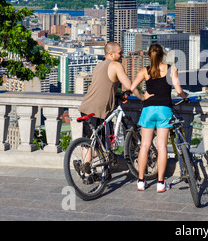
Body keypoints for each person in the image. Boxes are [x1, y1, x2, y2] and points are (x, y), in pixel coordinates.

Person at [78, 42, 144, 182]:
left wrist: (118, 95)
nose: (122, 55)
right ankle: (92, 168)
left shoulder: (99, 65)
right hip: (100, 110)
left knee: (89, 141)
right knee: (102, 142)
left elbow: (105, 86)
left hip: (86, 107)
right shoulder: (116, 65)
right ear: (111, 54)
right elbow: (129, 85)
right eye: (120, 53)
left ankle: (87, 173)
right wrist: (142, 97)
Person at [130, 43, 188, 192]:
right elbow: (179, 90)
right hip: (164, 110)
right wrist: (184, 96)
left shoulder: (145, 71)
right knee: (162, 146)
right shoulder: (171, 69)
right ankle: (161, 183)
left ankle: (141, 181)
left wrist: (143, 97)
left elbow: (132, 88)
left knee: (144, 146)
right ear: (163, 55)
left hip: (148, 110)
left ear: (149, 56)